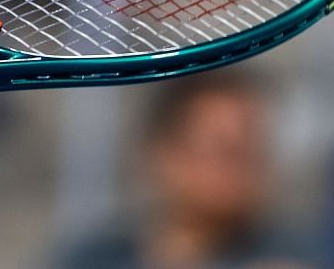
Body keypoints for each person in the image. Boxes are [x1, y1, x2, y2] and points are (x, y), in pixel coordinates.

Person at [48, 74, 317, 269]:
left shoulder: (299, 252)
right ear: (164, 154)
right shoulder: (94, 256)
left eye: (254, 147)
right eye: (224, 150)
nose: (243, 165)